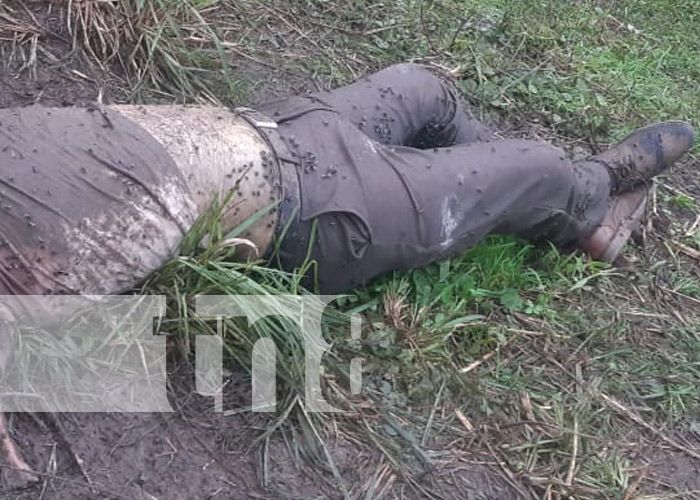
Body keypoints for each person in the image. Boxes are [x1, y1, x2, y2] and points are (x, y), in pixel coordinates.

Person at [0, 62, 694, 483]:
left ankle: (513, 197)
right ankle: (591, 197)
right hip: (318, 209)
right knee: (536, 164)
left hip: (276, 127)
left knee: (425, 89)